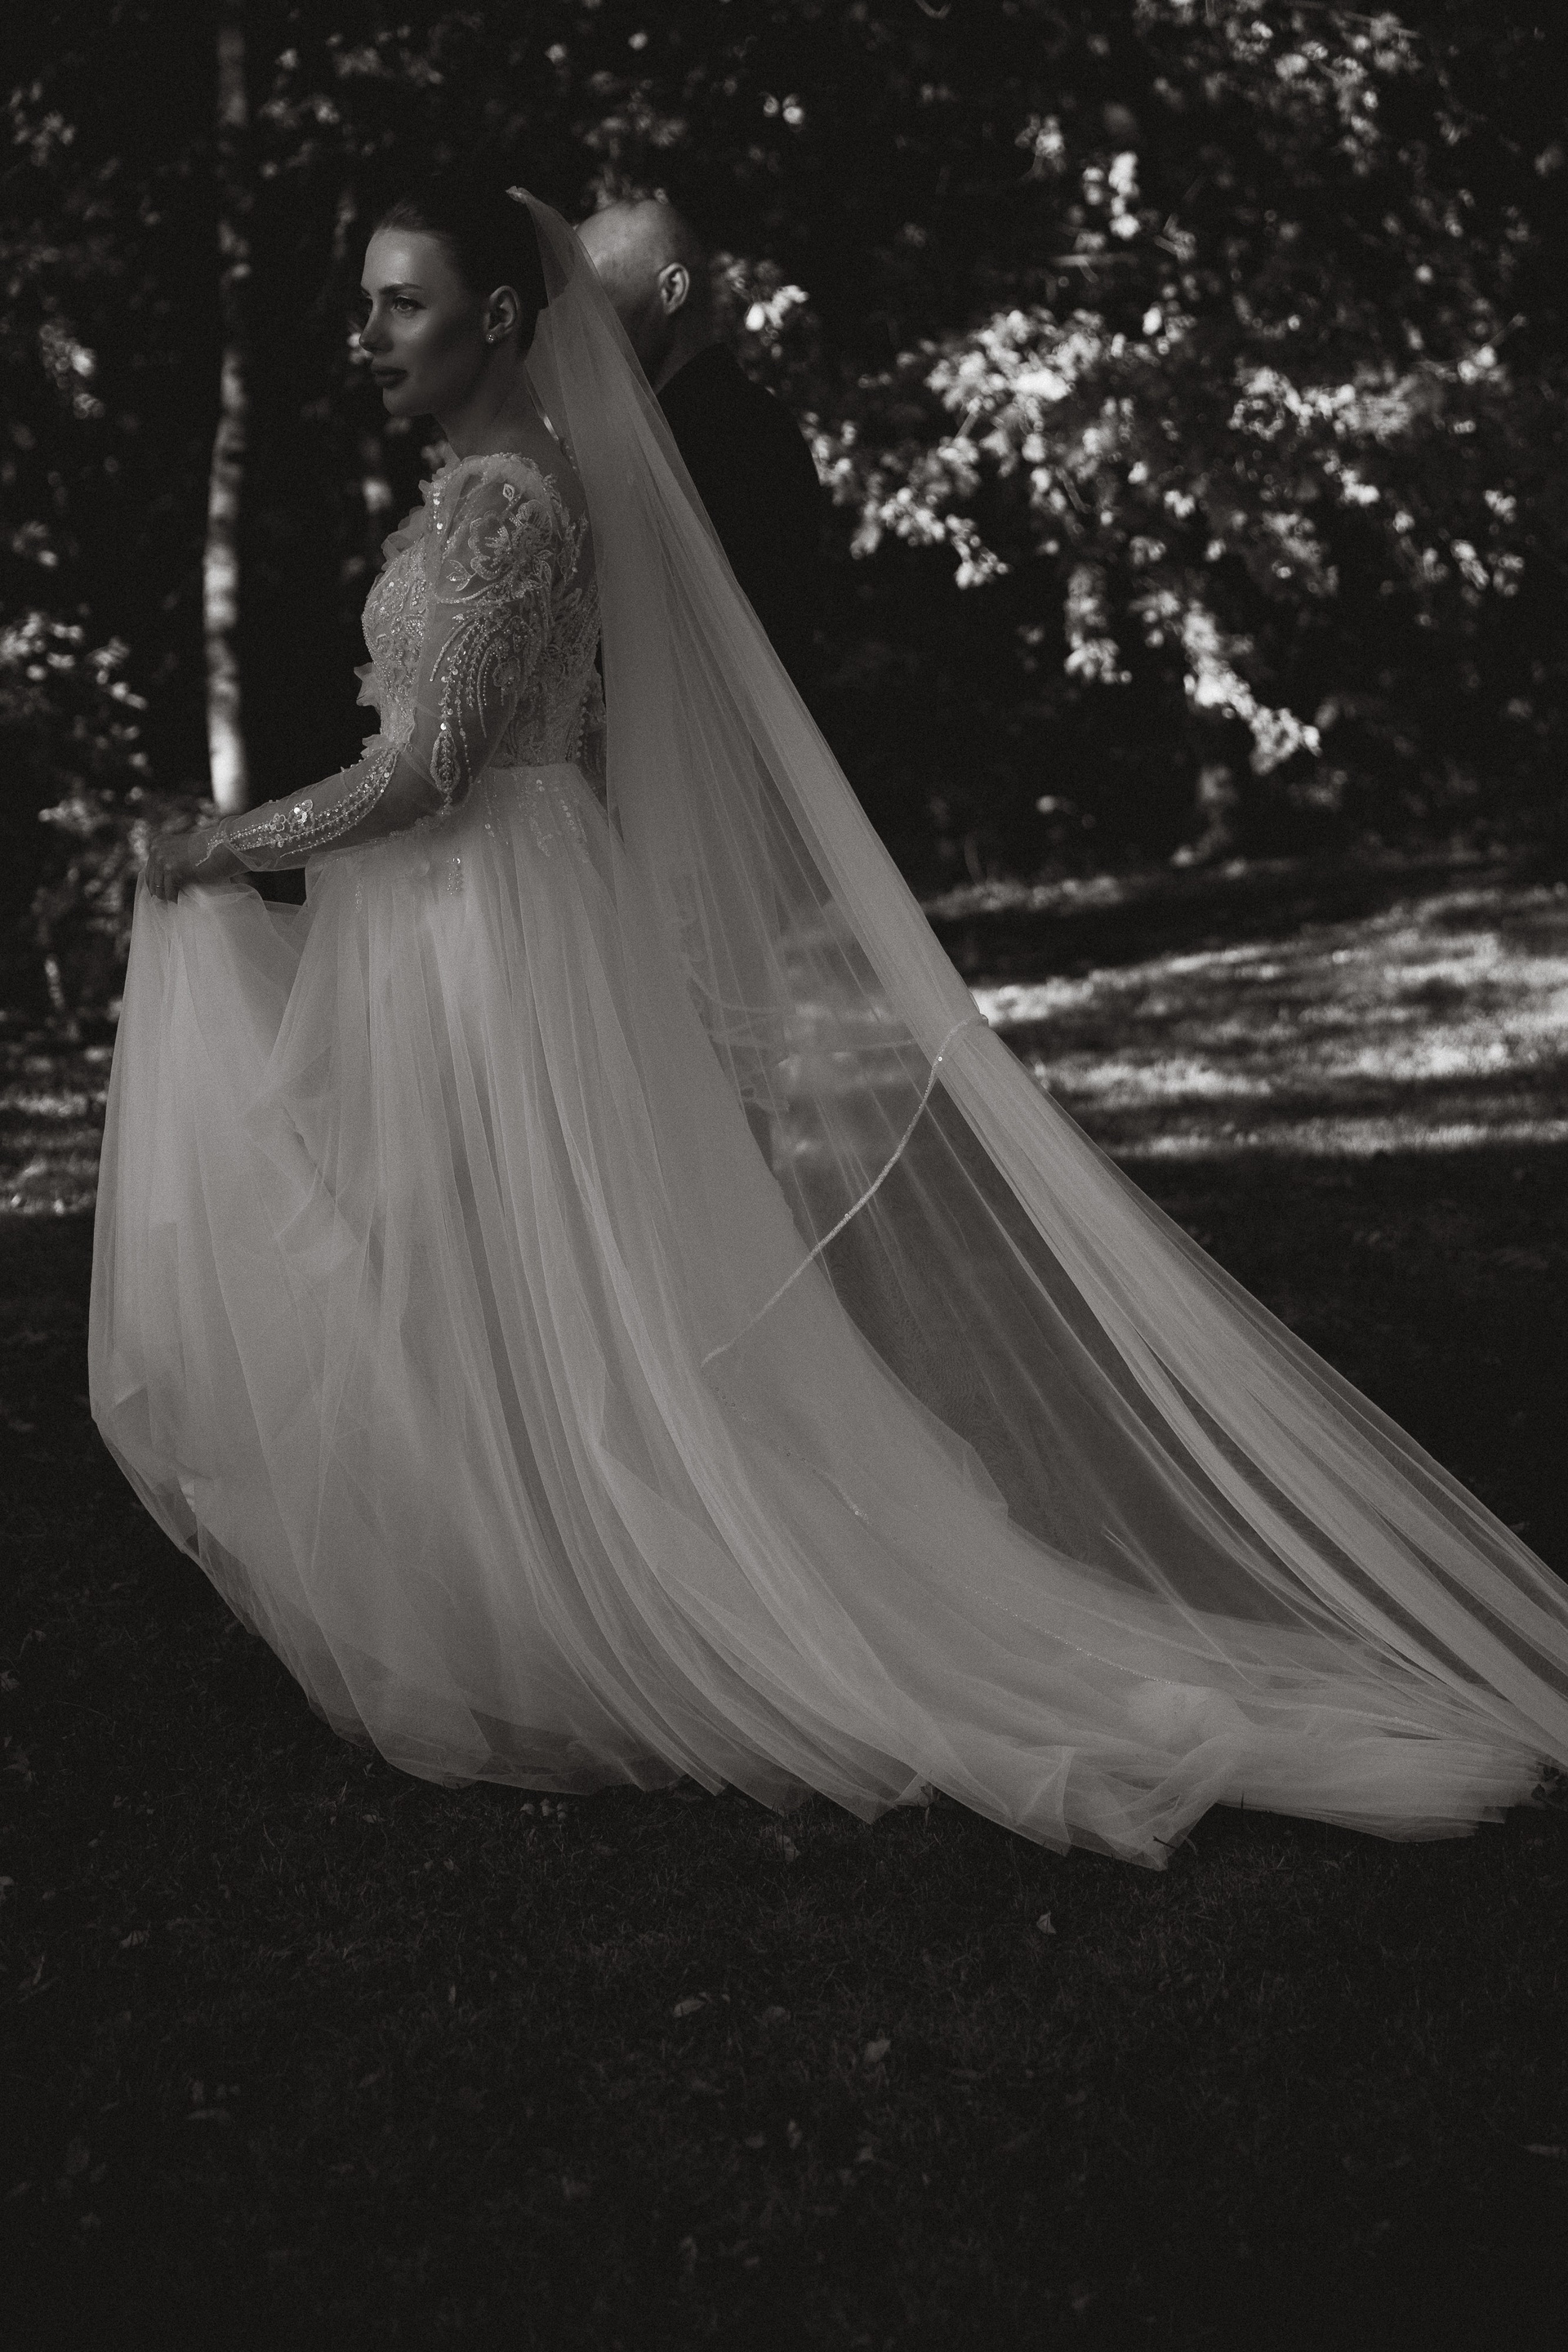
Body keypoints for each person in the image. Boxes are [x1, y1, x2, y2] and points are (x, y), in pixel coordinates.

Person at [92, 177, 1568, 1871]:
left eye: (400, 302)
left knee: (503, 1249)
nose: (365, 335)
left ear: (496, 319)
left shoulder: (510, 506)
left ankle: (584, 1598)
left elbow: (432, 771)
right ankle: (510, 1578)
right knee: (464, 1250)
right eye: (366, 301)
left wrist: (225, 844)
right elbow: (524, 747)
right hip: (480, 907)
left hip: (481, 914)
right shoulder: (498, 487)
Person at [576, 197, 824, 697]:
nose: (575, 323)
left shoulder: (732, 438)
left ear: (672, 290)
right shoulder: (697, 426)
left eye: (594, 293)